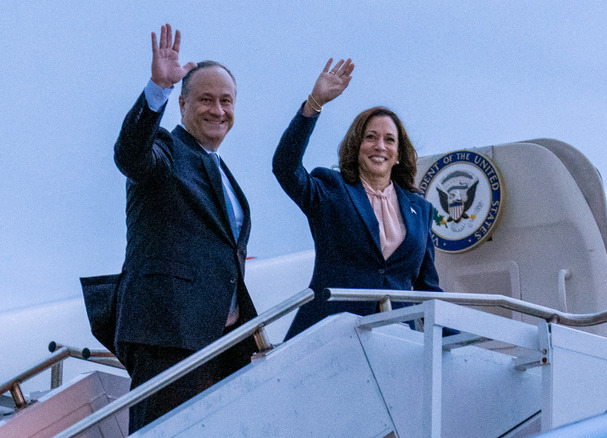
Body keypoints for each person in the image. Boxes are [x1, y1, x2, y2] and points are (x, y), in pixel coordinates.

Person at [111, 24, 257, 433]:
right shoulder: (165, 150)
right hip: (169, 337)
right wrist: (156, 87)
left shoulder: (224, 174)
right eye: (206, 100)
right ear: (182, 105)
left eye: (226, 101)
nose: (218, 110)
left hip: (221, 345)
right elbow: (130, 154)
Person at [272, 59, 443, 341]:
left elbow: (429, 290)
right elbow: (285, 167)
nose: (380, 146)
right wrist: (314, 104)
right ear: (356, 145)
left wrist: (455, 341)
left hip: (396, 342)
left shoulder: (420, 210)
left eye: (390, 140)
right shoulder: (330, 188)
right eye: (371, 137)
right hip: (330, 336)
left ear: (399, 153)